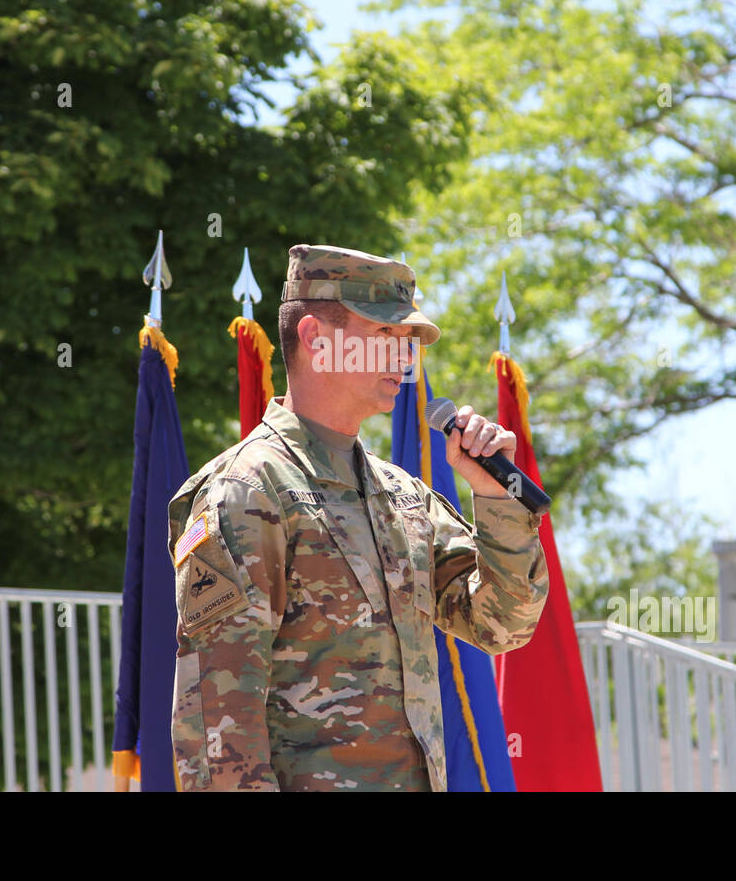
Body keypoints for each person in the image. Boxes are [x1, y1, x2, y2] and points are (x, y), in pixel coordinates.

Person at [167, 244, 548, 791]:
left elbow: (503, 624)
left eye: (408, 342)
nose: (404, 358)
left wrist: (493, 500)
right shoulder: (248, 491)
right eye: (385, 337)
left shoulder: (402, 497)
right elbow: (218, 728)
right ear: (317, 340)